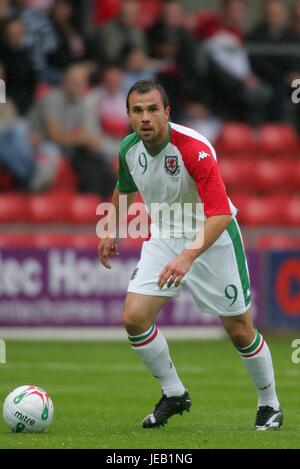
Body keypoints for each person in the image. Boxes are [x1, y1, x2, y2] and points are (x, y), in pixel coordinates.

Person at [98, 79, 283, 431]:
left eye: (153, 109)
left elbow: (220, 214)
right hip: (165, 236)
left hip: (212, 239)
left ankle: (269, 404)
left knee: (239, 330)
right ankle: (174, 393)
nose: (145, 117)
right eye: (138, 111)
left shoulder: (194, 149)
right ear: (129, 116)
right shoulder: (128, 150)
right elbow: (125, 188)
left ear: (167, 112)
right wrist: (110, 229)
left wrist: (187, 257)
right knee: (134, 318)